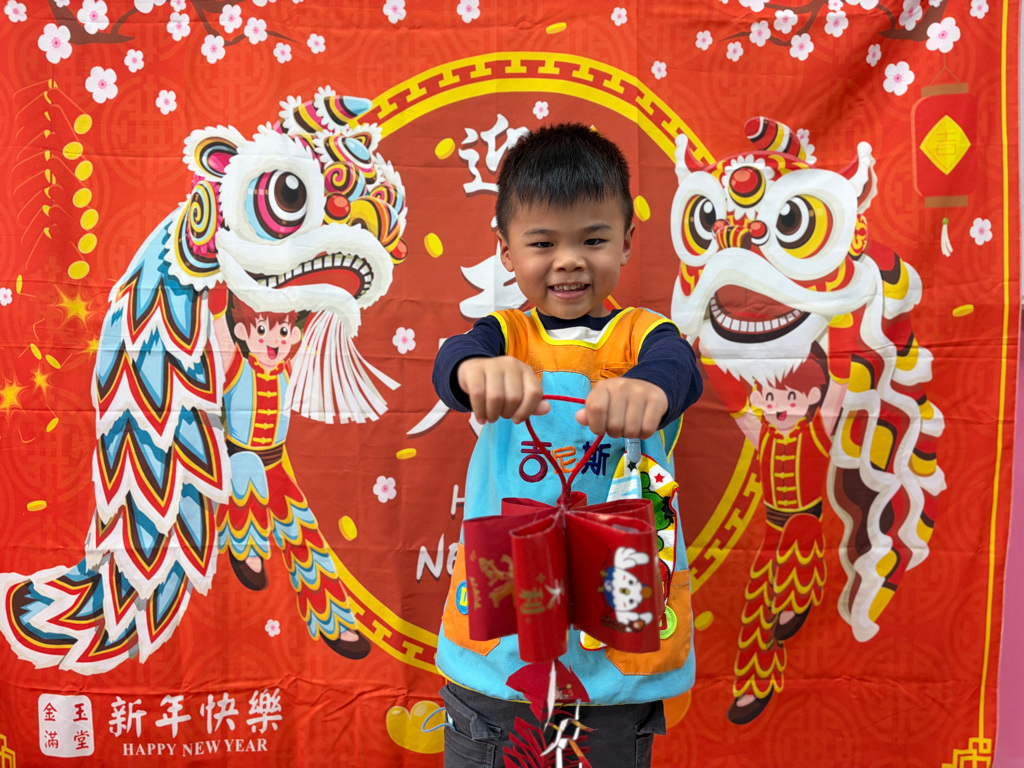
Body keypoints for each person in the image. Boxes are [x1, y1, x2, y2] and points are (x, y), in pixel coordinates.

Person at [432, 123, 703, 768]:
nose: (569, 260)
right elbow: (451, 361)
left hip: (616, 645)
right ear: (506, 252)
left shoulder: (645, 337)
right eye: (543, 243)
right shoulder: (503, 336)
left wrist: (648, 389)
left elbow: (680, 369)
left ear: (627, 242)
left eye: (593, 240)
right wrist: (475, 372)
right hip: (503, 648)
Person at [211, 296, 371, 660]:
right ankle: (246, 548)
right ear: (243, 332)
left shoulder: (288, 369)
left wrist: (328, 296)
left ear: (293, 336)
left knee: (305, 535)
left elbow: (313, 335)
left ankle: (336, 622)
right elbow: (219, 329)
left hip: (277, 465)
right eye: (263, 330)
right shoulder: (236, 365)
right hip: (240, 459)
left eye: (283, 331)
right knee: (248, 473)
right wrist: (219, 293)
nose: (274, 340)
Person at [728, 349, 831, 725]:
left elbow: (842, 387)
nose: (779, 405)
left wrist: (846, 325)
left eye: (791, 396)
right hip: (772, 530)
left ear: (812, 397)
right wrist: (705, 354)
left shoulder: (819, 431)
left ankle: (794, 600)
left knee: (799, 535)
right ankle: (753, 687)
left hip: (805, 524)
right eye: (770, 397)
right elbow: (734, 404)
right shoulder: (763, 434)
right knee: (758, 608)